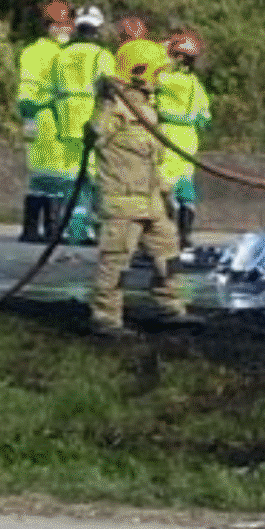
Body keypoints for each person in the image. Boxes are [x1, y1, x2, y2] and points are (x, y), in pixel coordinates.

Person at [84, 37, 202, 336]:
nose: (161, 77)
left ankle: (171, 307)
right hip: (124, 201)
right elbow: (95, 131)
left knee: (168, 253)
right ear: (141, 71)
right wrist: (107, 97)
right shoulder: (115, 106)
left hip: (151, 198)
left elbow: (155, 155)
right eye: (157, 71)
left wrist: (165, 191)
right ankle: (106, 319)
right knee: (116, 262)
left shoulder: (146, 108)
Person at [44, 4, 114, 243]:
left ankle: (66, 227)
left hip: (66, 123)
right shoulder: (101, 56)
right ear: (97, 29)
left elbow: (53, 90)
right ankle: (83, 230)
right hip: (92, 123)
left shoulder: (61, 55)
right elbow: (109, 91)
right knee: (91, 180)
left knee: (70, 178)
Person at [16, 0, 75, 242]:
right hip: (43, 117)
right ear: (48, 26)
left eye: (66, 24)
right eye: (58, 25)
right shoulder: (39, 53)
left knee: (46, 176)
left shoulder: (60, 52)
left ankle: (38, 229)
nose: (64, 30)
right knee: (49, 175)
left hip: (52, 118)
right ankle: (44, 228)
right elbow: (28, 91)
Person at [157, 28, 214, 251]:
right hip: (188, 139)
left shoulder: (165, 79)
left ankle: (165, 235)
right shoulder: (195, 84)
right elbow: (205, 117)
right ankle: (185, 236)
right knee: (185, 189)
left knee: (163, 187)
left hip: (167, 135)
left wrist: (162, 48)